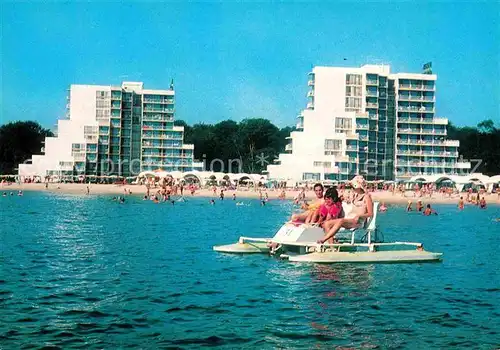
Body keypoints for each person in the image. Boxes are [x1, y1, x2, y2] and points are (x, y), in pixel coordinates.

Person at [318, 176, 373, 244]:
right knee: (327, 224)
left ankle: (323, 240)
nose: (352, 188)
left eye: (353, 186)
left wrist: (360, 216)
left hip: (358, 221)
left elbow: (370, 213)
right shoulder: (355, 196)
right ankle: (331, 245)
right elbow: (343, 198)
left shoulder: (367, 197)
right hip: (349, 219)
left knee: (341, 221)